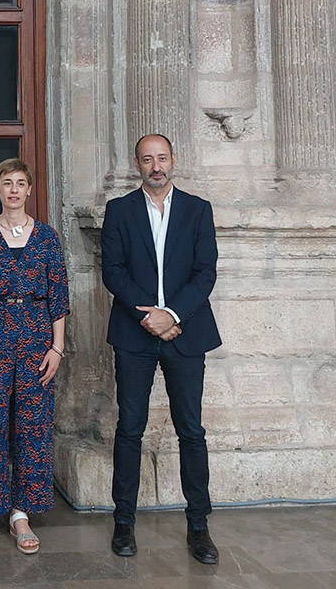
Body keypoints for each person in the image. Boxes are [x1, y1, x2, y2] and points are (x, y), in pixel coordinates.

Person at [102, 134, 222, 564]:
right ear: (136, 163)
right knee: (129, 429)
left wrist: (171, 315)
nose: (156, 166)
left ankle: (199, 527)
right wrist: (146, 317)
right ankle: (123, 523)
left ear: (174, 160)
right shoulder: (119, 211)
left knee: (191, 431)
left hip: (186, 333)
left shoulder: (197, 209)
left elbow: (205, 272)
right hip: (134, 336)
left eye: (162, 158)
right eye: (148, 159)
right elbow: (112, 272)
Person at [0, 158, 69, 555]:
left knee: (33, 425)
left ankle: (21, 512)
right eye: (7, 183)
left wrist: (58, 346)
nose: (14, 190)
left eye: (21, 183)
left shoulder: (48, 238)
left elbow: (59, 297)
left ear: (29, 188)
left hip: (39, 336)